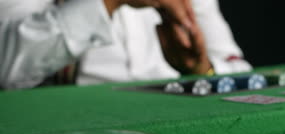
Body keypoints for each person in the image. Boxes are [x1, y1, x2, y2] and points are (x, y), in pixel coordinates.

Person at [0, 0, 251, 89]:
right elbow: (6, 68)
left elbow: (241, 72)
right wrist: (110, 1)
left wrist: (200, 69)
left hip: (179, 122)